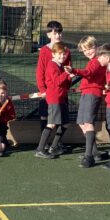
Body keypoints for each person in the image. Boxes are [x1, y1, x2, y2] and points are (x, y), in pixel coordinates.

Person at [67, 35, 106, 168]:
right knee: (81, 123)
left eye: (90, 48)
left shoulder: (96, 61)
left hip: (92, 93)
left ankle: (88, 156)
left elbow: (88, 73)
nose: (88, 51)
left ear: (96, 47)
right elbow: (90, 75)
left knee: (88, 123)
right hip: (87, 92)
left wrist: (74, 71)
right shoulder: (93, 61)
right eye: (85, 50)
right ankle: (94, 152)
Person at [35, 20, 71, 151]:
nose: (58, 35)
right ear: (48, 34)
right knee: (46, 116)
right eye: (55, 32)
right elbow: (40, 71)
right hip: (49, 91)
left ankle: (56, 143)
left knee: (63, 119)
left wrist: (67, 85)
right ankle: (43, 144)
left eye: (60, 32)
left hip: (62, 91)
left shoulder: (65, 50)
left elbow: (68, 69)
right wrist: (42, 89)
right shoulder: (45, 51)